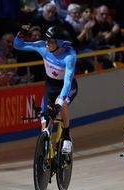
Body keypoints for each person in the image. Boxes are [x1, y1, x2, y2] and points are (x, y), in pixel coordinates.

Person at [14, 25, 78, 154]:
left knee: (62, 103)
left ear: (59, 44)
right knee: (45, 121)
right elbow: (18, 45)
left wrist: (59, 103)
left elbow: (67, 83)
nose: (47, 43)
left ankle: (66, 138)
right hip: (50, 86)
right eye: (46, 39)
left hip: (67, 87)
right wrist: (21, 33)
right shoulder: (43, 47)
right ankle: (46, 151)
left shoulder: (69, 56)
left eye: (50, 41)